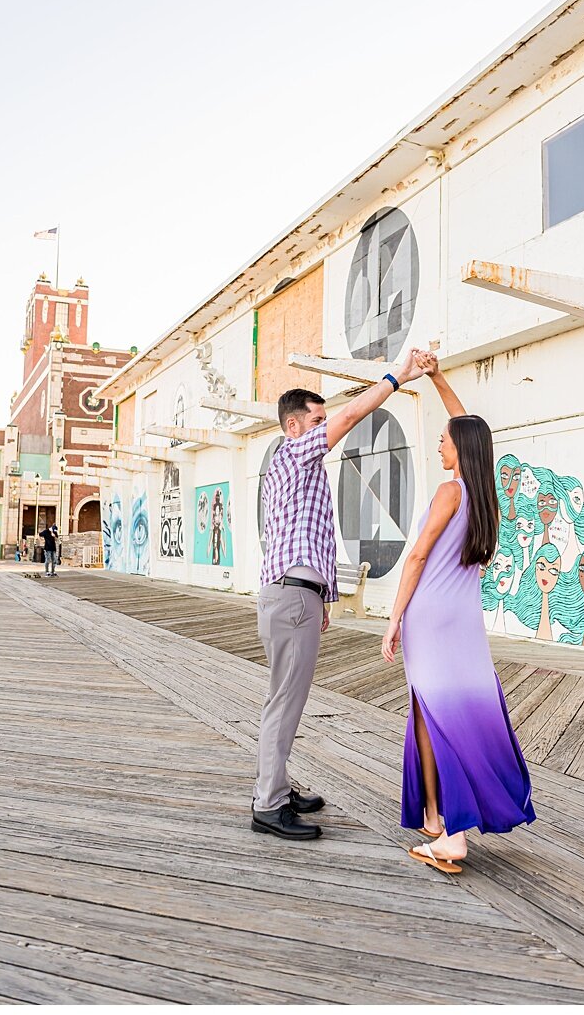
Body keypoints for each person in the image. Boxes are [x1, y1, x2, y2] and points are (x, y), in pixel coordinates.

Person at [251, 349, 430, 841]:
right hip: (290, 597)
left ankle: (278, 786)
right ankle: (268, 804)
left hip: (295, 596)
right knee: (284, 702)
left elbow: (309, 536)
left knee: (283, 697)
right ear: (294, 427)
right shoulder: (294, 451)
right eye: (318, 419)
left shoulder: (295, 467)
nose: (327, 426)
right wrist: (399, 376)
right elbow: (353, 414)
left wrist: (322, 596)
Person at [381, 352, 535, 872]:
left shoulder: (450, 491)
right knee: (440, 713)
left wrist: (394, 617)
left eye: (444, 440)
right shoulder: (483, 495)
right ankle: (433, 815)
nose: (440, 443)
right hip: (464, 623)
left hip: (429, 616)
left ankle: (450, 835)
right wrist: (438, 377)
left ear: (458, 449)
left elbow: (418, 555)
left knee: (432, 713)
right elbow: (468, 428)